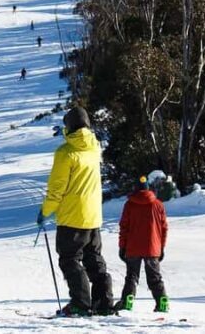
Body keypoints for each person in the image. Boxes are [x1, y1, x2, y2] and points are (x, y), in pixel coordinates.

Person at [37, 107, 115, 317]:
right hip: (93, 216)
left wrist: (45, 211)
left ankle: (81, 303)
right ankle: (104, 302)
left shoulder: (65, 153)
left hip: (72, 217)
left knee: (70, 259)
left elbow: (57, 189)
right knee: (93, 259)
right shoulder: (94, 148)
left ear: (69, 126)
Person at [116, 174, 169, 313]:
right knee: (155, 277)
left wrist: (122, 246)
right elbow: (164, 228)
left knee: (132, 276)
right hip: (153, 247)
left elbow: (124, 227)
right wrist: (161, 247)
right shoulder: (158, 204)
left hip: (133, 247)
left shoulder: (129, 204)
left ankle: (127, 301)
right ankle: (162, 301)